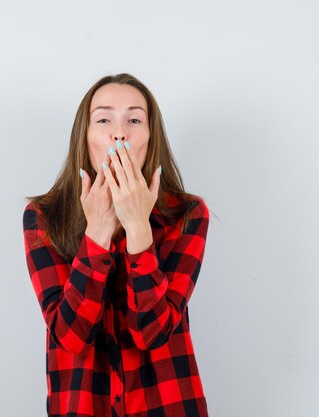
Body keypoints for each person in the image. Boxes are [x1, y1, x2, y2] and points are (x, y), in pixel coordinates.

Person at [22, 73, 211, 417]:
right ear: (86, 136)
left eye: (134, 119)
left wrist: (138, 229)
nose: (119, 132)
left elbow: (152, 334)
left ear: (151, 138)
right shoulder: (43, 217)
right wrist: (97, 233)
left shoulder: (187, 214)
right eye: (104, 119)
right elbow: (71, 338)